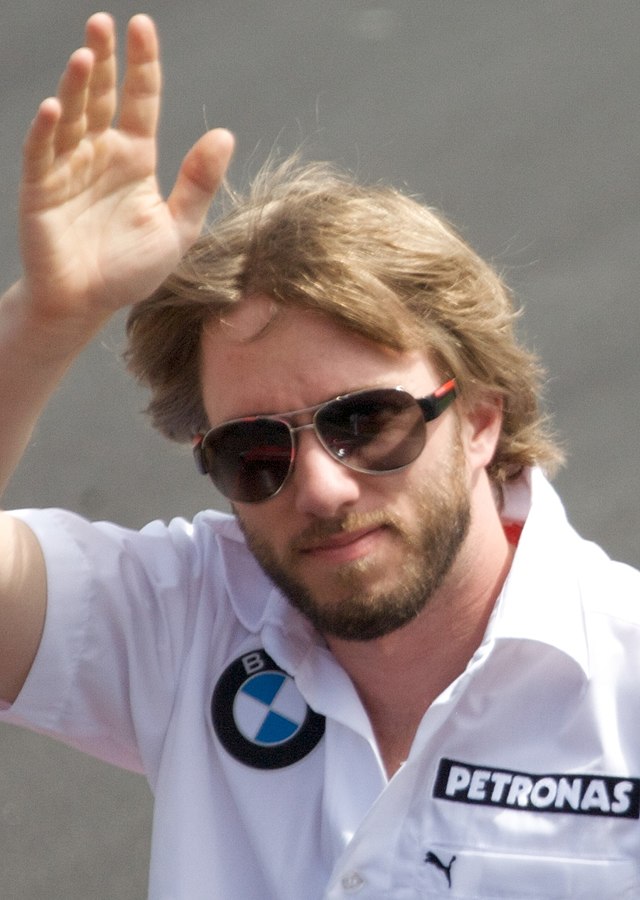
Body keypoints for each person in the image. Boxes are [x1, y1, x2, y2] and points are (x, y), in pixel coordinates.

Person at [1, 12, 639, 899]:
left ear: (483, 420)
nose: (321, 485)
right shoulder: (188, 622)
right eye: (253, 451)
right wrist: (47, 321)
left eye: (368, 420)